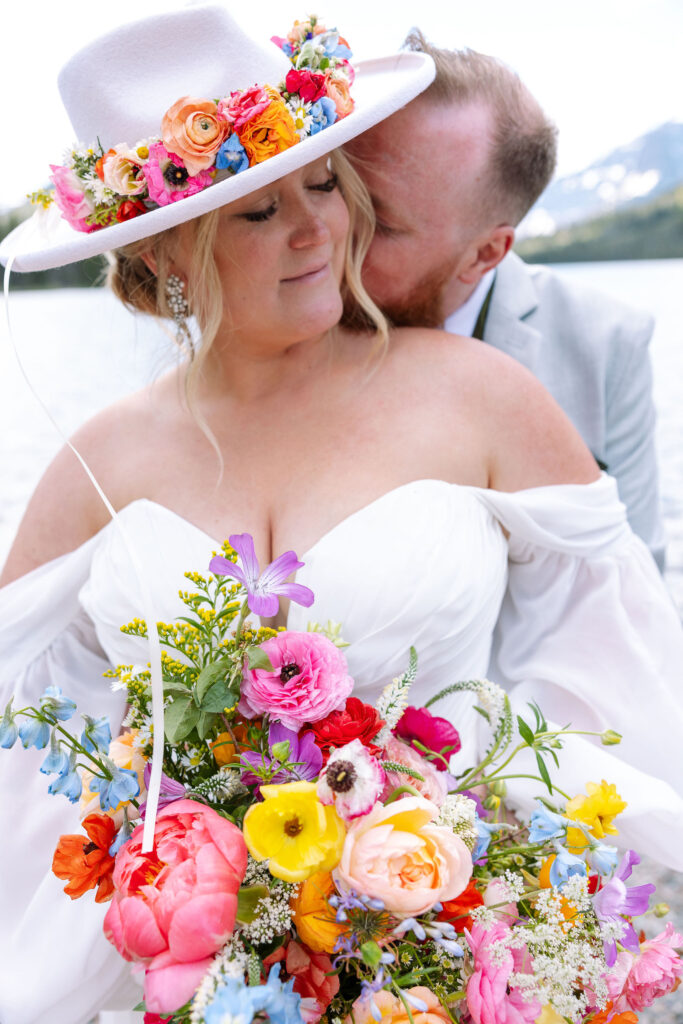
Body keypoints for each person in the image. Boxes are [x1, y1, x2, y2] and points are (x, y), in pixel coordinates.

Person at [0, 7, 682, 1024]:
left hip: (448, 960)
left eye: (322, 183)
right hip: (201, 989)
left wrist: (495, 903)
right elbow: (31, 741)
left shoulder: (479, 395)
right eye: (257, 212)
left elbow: (617, 675)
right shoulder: (100, 458)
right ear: (168, 256)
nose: (315, 228)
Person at [344, 32, 666, 569]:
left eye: (378, 223)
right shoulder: (296, 314)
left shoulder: (608, 342)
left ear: (485, 253)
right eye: (338, 190)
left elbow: (638, 586)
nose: (333, 237)